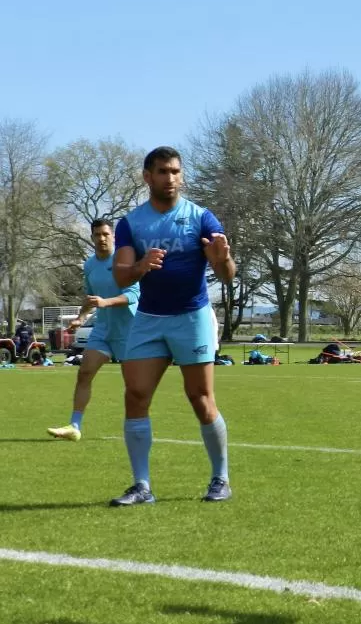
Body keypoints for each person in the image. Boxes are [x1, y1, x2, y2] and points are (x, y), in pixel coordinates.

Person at [110, 146, 236, 507]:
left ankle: (220, 478)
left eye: (176, 172)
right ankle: (141, 486)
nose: (171, 178)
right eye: (163, 172)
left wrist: (221, 259)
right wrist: (140, 267)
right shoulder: (131, 224)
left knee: (200, 399)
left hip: (192, 317)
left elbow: (228, 275)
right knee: (135, 396)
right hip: (149, 319)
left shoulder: (201, 218)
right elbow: (120, 277)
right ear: (147, 177)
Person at [46, 218, 139, 441]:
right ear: (92, 238)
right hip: (103, 329)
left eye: (106, 234)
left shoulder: (124, 261)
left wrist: (105, 302)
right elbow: (89, 299)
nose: (102, 238)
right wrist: (80, 318)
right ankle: (74, 426)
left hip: (129, 331)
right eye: (97, 235)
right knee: (84, 372)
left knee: (134, 386)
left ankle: (136, 427)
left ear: (113, 237)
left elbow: (133, 296)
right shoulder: (89, 265)